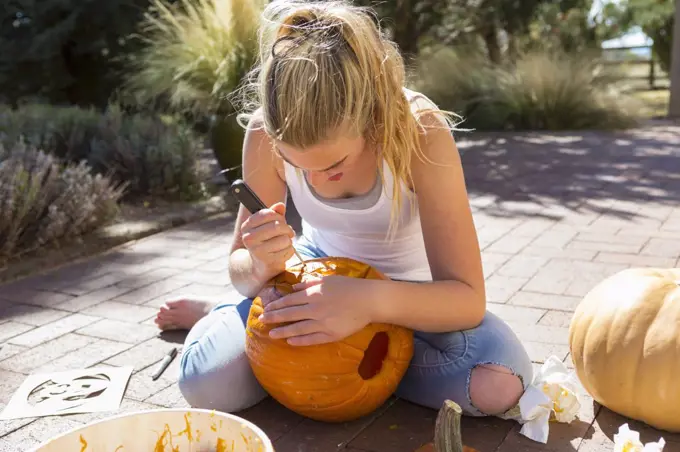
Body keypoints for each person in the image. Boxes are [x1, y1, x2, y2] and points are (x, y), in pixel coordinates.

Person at [155, 0, 533, 419]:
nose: (314, 183)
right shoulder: (265, 132)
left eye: (334, 166)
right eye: (296, 165)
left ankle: (343, 363)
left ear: (372, 115)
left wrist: (367, 303)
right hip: (318, 274)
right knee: (206, 385)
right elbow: (240, 269)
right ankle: (227, 315)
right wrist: (260, 264)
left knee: (498, 383)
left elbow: (466, 301)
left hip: (411, 296)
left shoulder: (419, 131)